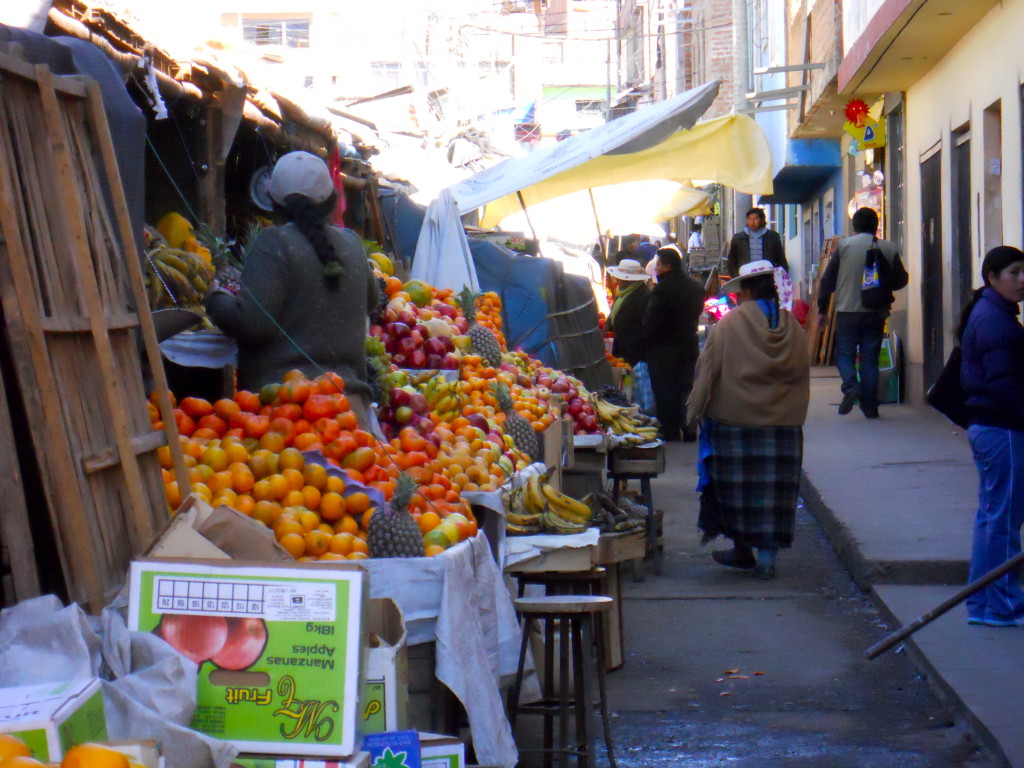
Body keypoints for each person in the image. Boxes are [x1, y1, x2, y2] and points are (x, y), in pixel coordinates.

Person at [206, 151, 380, 420]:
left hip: (285, 416)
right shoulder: (352, 244)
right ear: (331, 198)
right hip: (348, 415)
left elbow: (252, 324)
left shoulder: (274, 243)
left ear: (273, 201)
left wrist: (216, 298)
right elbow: (371, 300)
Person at [688, 260, 810, 579]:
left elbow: (708, 370)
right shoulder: (793, 326)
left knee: (738, 493)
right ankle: (767, 558)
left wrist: (695, 410)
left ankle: (742, 550)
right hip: (784, 425)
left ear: (745, 292)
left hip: (735, 422)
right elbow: (801, 373)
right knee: (774, 495)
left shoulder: (730, 324)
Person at [957, 246, 1024, 627]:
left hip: (990, 428)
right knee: (1002, 522)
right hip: (1004, 431)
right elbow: (1005, 386)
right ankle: (1002, 605)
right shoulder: (998, 323)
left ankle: (983, 602)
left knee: (991, 518)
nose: (1021, 280)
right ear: (992, 278)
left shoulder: (990, 314)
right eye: (1013, 272)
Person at [816, 207, 908, 418]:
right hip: (876, 312)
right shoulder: (889, 248)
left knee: (844, 355)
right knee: (869, 359)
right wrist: (881, 285)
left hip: (847, 311)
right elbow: (901, 280)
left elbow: (827, 281)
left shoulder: (845, 246)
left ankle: (850, 386)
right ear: (876, 226)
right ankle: (870, 406)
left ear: (854, 226)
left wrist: (822, 310)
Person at [643, 248, 705, 442]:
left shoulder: (662, 289)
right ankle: (689, 427)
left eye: (659, 265)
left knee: (665, 388)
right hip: (689, 343)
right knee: (686, 385)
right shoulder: (695, 287)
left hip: (664, 347)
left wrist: (646, 342)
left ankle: (669, 429)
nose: (657, 269)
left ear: (667, 266)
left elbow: (652, 321)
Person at [605, 259, 650, 367]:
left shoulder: (643, 297)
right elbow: (614, 314)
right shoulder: (622, 293)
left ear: (628, 280)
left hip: (635, 353)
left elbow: (646, 327)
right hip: (621, 349)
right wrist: (607, 325)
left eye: (619, 278)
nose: (616, 280)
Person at [725, 208, 787, 277]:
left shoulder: (772, 237)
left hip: (767, 277)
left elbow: (781, 260)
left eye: (755, 219)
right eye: (750, 219)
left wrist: (778, 276)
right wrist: (737, 276)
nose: (752, 222)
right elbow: (731, 262)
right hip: (746, 278)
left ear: (762, 220)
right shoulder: (738, 238)